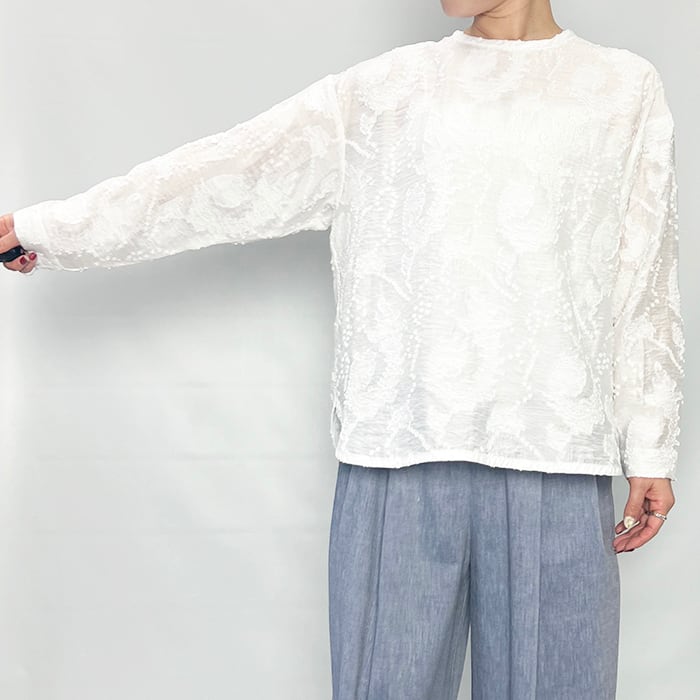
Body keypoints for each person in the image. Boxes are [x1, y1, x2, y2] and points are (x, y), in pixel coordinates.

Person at [1, 1, 684, 698]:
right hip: (399, 449)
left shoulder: (621, 87)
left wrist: (651, 445)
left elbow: (644, 277)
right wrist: (54, 229)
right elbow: (227, 171)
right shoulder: (386, 91)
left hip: (556, 451)